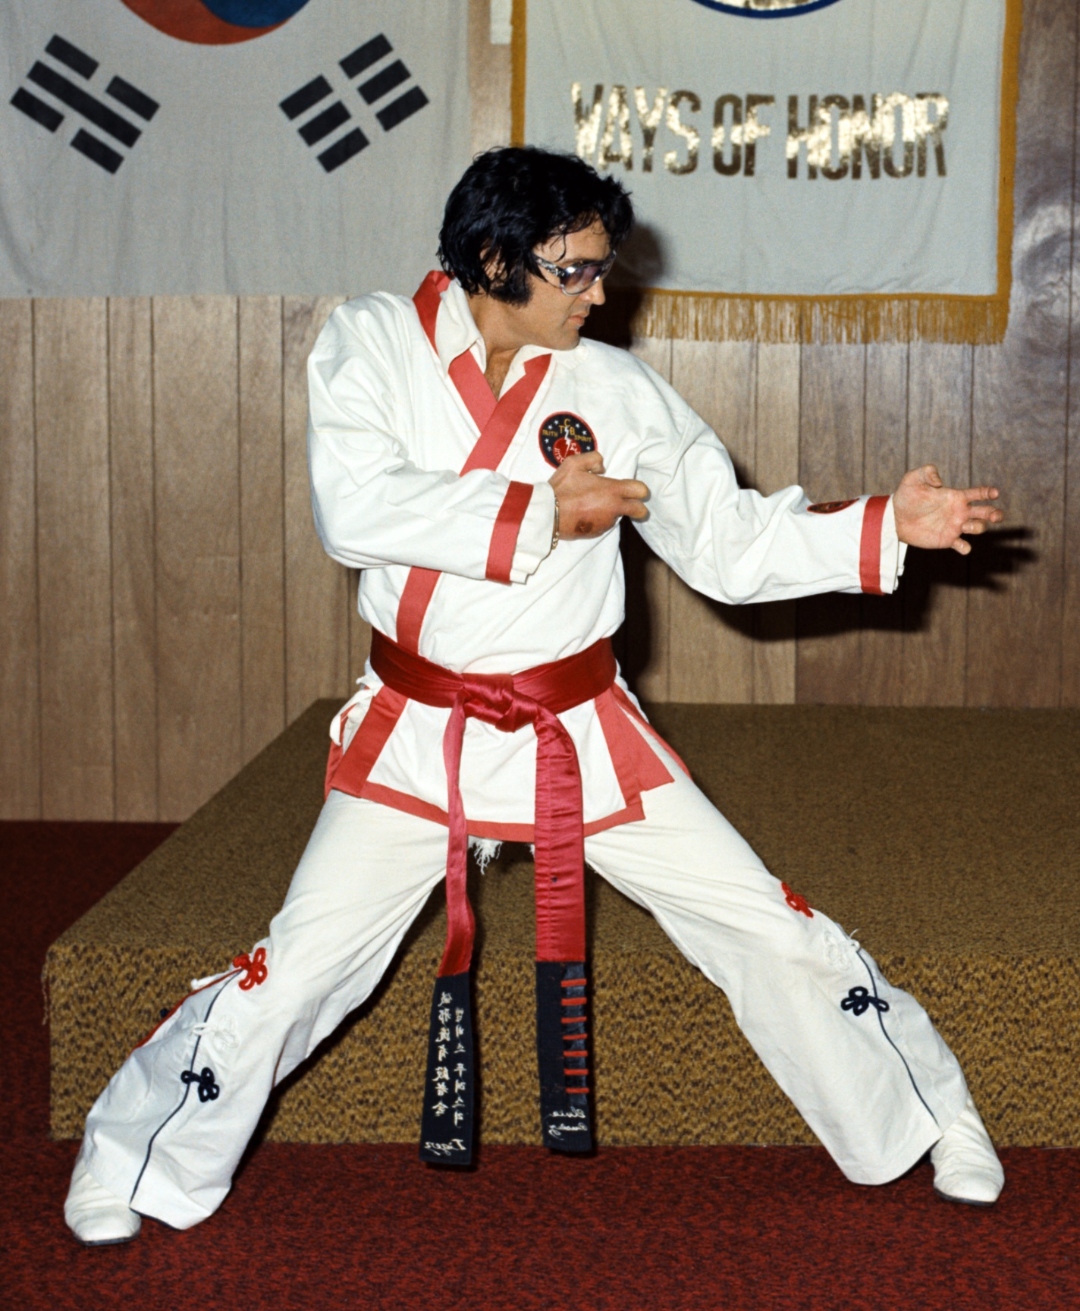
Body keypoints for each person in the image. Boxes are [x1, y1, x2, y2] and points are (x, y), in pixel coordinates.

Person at [65, 147, 1006, 1245]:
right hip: (424, 732)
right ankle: (129, 1150)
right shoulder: (368, 343)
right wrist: (535, 514)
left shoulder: (611, 388)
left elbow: (729, 543)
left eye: (604, 270)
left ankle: (933, 1113)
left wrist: (881, 528)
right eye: (579, 270)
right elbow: (353, 507)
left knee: (765, 924)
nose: (602, 294)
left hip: (578, 728)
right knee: (297, 968)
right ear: (498, 259)